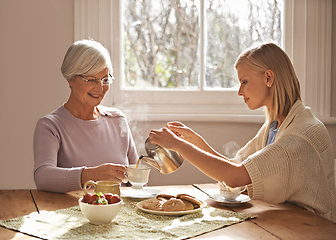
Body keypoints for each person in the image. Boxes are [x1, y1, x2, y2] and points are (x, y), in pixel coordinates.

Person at [149, 43, 335, 222]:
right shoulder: (276, 125)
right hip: (287, 221)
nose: (239, 91)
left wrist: (179, 145)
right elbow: (236, 169)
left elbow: (235, 177)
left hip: (312, 230)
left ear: (268, 78)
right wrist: (196, 142)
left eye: (244, 82)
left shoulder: (299, 135)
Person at [33, 39, 138, 193]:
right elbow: (42, 177)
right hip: (71, 214)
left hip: (119, 212)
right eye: (91, 80)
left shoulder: (117, 120)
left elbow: (136, 178)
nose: (100, 88)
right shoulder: (50, 126)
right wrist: (90, 175)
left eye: (105, 79)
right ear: (70, 79)